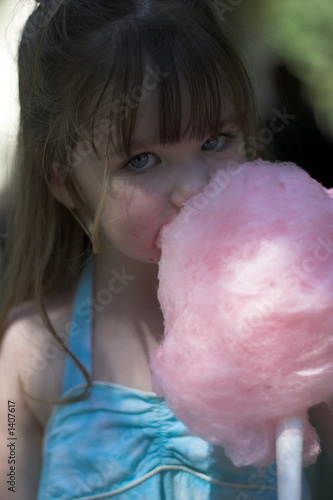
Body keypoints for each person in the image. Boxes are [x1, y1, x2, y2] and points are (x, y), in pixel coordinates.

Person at [0, 0, 328, 498]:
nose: (193, 188)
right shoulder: (32, 352)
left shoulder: (292, 316)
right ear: (66, 185)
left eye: (217, 140)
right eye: (143, 159)